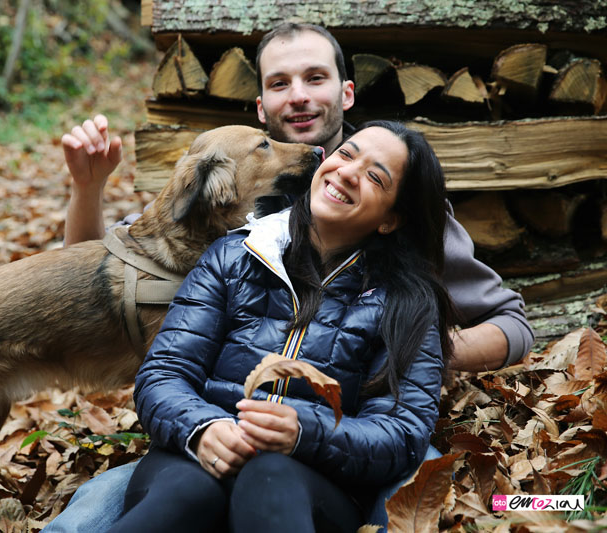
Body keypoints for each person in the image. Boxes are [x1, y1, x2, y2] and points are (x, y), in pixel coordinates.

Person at [43, 23, 534, 532]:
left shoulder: (408, 231)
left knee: (418, 487)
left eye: (315, 78)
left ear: (346, 93)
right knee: (104, 509)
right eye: (279, 83)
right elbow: (108, 273)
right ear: (261, 107)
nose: (298, 96)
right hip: (208, 434)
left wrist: (411, 353)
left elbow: (508, 327)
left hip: (332, 448)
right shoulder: (230, 209)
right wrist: (88, 187)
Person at [105, 120, 453, 532]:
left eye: (374, 176)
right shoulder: (233, 256)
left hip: (315, 484)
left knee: (269, 477)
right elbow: (164, 373)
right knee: (185, 490)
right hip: (197, 457)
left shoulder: (405, 303)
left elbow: (402, 431)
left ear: (390, 220)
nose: (346, 172)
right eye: (346, 154)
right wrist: (202, 427)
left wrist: (308, 432)